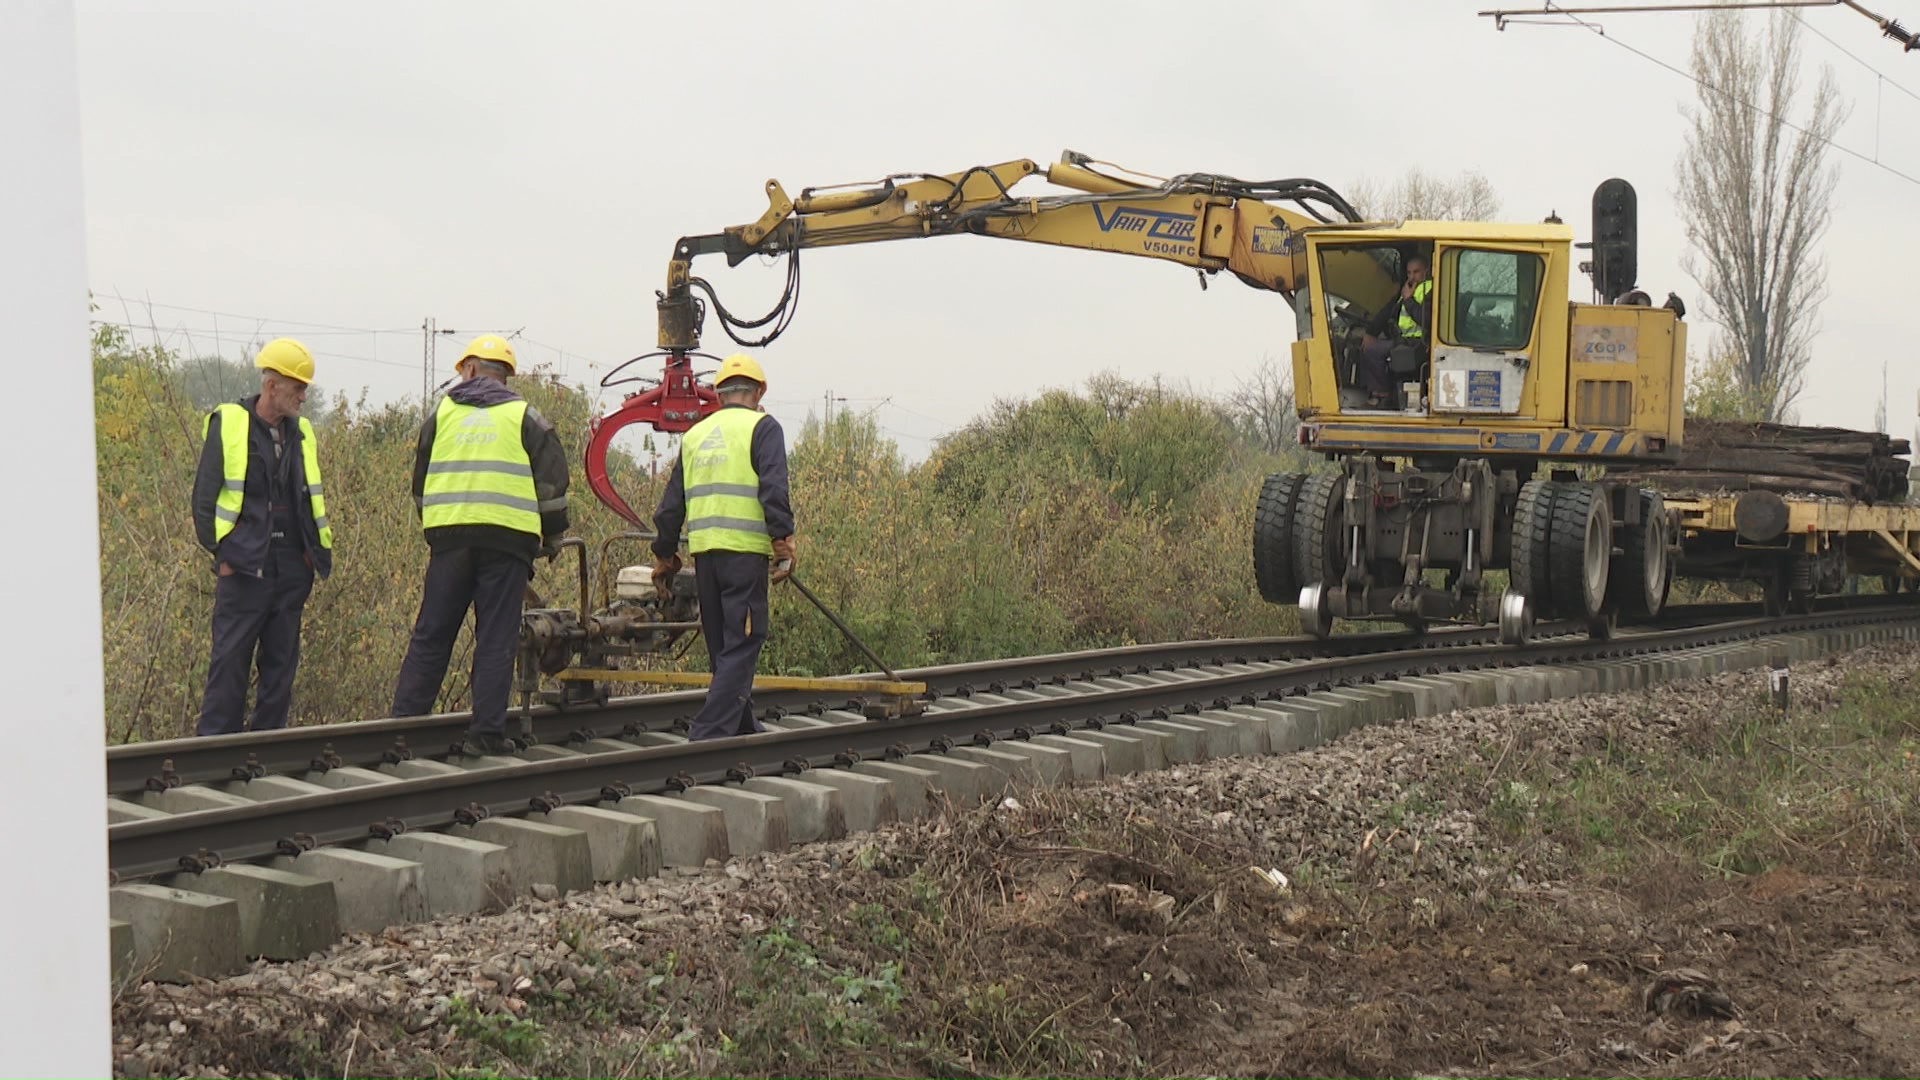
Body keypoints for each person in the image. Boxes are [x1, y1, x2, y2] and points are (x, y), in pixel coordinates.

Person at [389, 335, 570, 755]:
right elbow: (552, 485)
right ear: (506, 376)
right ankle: (485, 733)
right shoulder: (526, 417)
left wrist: (435, 525)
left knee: (432, 633)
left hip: (450, 539)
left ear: (469, 369)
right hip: (507, 540)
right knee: (495, 636)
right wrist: (553, 533)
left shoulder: (441, 414)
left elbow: (421, 482)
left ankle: (401, 730)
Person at [190, 338, 333, 736]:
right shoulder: (229, 423)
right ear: (272, 386)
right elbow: (203, 502)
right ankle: (215, 758)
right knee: (229, 664)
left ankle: (267, 756)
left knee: (280, 668)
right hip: (244, 566)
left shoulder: (302, 432)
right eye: (297, 387)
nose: (303, 396)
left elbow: (308, 498)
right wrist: (225, 556)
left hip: (291, 567)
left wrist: (310, 557)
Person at [649, 353, 795, 741]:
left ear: (716, 395)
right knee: (743, 639)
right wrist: (782, 541)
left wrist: (664, 552)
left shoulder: (696, 434)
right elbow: (773, 489)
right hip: (744, 553)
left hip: (705, 556)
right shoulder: (764, 428)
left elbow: (670, 504)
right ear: (758, 391)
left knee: (722, 643)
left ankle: (742, 720)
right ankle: (710, 734)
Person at [1357, 254, 1433, 407]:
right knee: (1367, 346)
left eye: (1416, 272)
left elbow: (1426, 319)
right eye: (1409, 272)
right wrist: (1371, 333)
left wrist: (1408, 300)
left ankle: (1384, 394)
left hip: (1419, 343)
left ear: (1427, 271)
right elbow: (1388, 311)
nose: (1412, 277)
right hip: (1403, 339)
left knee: (1373, 350)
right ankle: (1374, 392)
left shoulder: (1430, 290)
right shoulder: (1407, 289)